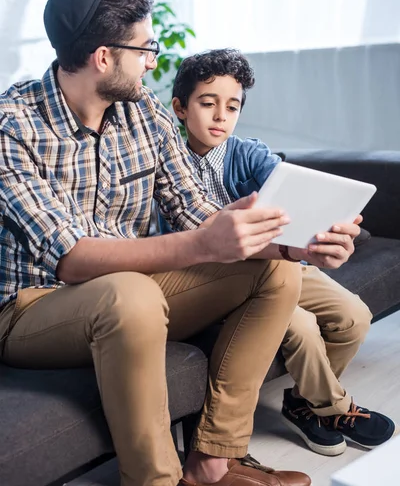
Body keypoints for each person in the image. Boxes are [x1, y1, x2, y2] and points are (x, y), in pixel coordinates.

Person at [0, 0, 317, 486]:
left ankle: (210, 462)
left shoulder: (143, 111)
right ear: (104, 57)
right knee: (129, 294)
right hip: (32, 306)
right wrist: (200, 244)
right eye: (146, 48)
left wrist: (293, 241)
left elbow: (194, 208)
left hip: (129, 289)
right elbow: (71, 257)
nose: (153, 61)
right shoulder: (11, 124)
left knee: (275, 271)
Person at [167, 47, 397, 457]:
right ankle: (336, 408)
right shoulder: (166, 161)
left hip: (274, 261)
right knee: (303, 328)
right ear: (180, 108)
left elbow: (288, 185)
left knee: (354, 317)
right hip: (216, 277)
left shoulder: (246, 152)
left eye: (232, 106)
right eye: (208, 103)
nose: (221, 116)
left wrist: (328, 216)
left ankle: (303, 405)